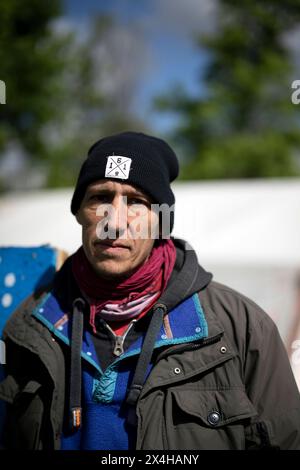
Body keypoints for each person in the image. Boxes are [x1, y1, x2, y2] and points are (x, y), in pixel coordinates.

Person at [0, 131, 300, 450]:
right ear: (79, 213)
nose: (113, 222)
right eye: (100, 197)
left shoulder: (241, 328)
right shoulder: (29, 325)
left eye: (136, 202)